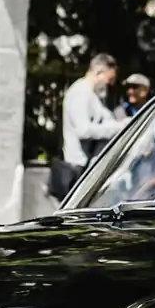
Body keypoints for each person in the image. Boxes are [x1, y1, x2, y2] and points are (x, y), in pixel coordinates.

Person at [51, 53, 127, 199]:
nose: (109, 84)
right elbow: (83, 130)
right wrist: (118, 128)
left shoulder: (93, 95)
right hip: (78, 169)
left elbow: (104, 120)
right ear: (98, 72)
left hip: (89, 169)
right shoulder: (80, 93)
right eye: (108, 79)